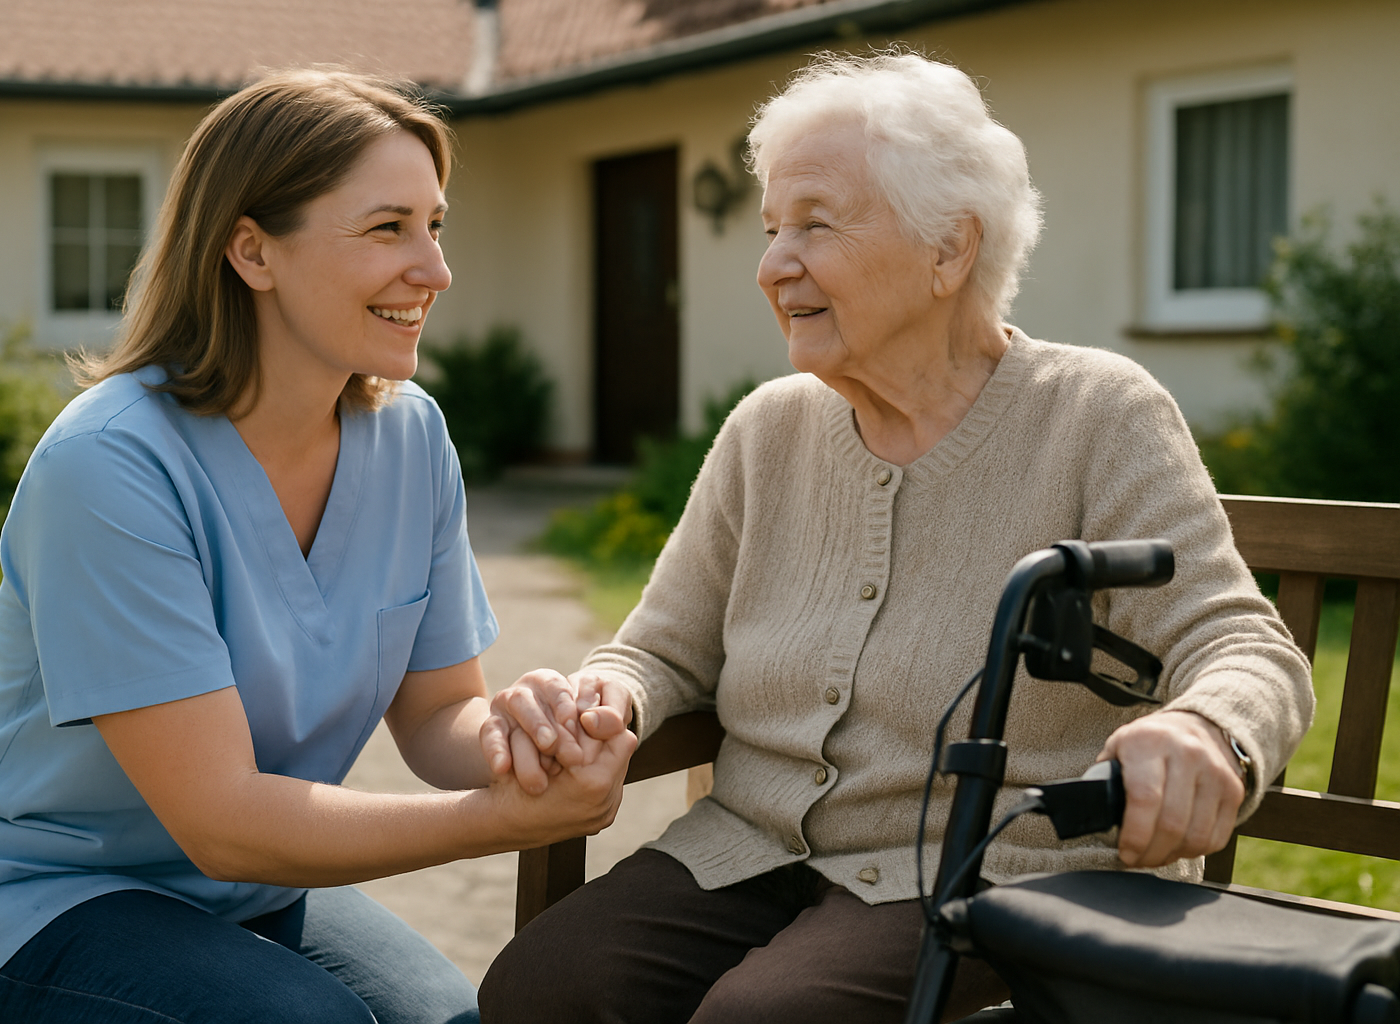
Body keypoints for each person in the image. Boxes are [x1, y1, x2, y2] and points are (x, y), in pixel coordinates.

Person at [477, 51, 1314, 1023]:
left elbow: (1243, 645)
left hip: (990, 871)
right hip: (750, 847)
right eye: (772, 228)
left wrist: (1208, 729)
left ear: (949, 250)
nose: (771, 264)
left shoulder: (1095, 415)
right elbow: (660, 646)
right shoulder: (769, 429)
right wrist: (605, 696)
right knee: (539, 990)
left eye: (815, 225)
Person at [0, 68, 634, 1024]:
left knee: (447, 1019)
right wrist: (495, 823)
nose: (436, 270)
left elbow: (440, 711)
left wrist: (526, 738)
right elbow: (224, 824)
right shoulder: (111, 465)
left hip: (242, 888)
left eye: (435, 225)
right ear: (251, 250)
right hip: (31, 900)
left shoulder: (411, 438)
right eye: (386, 228)